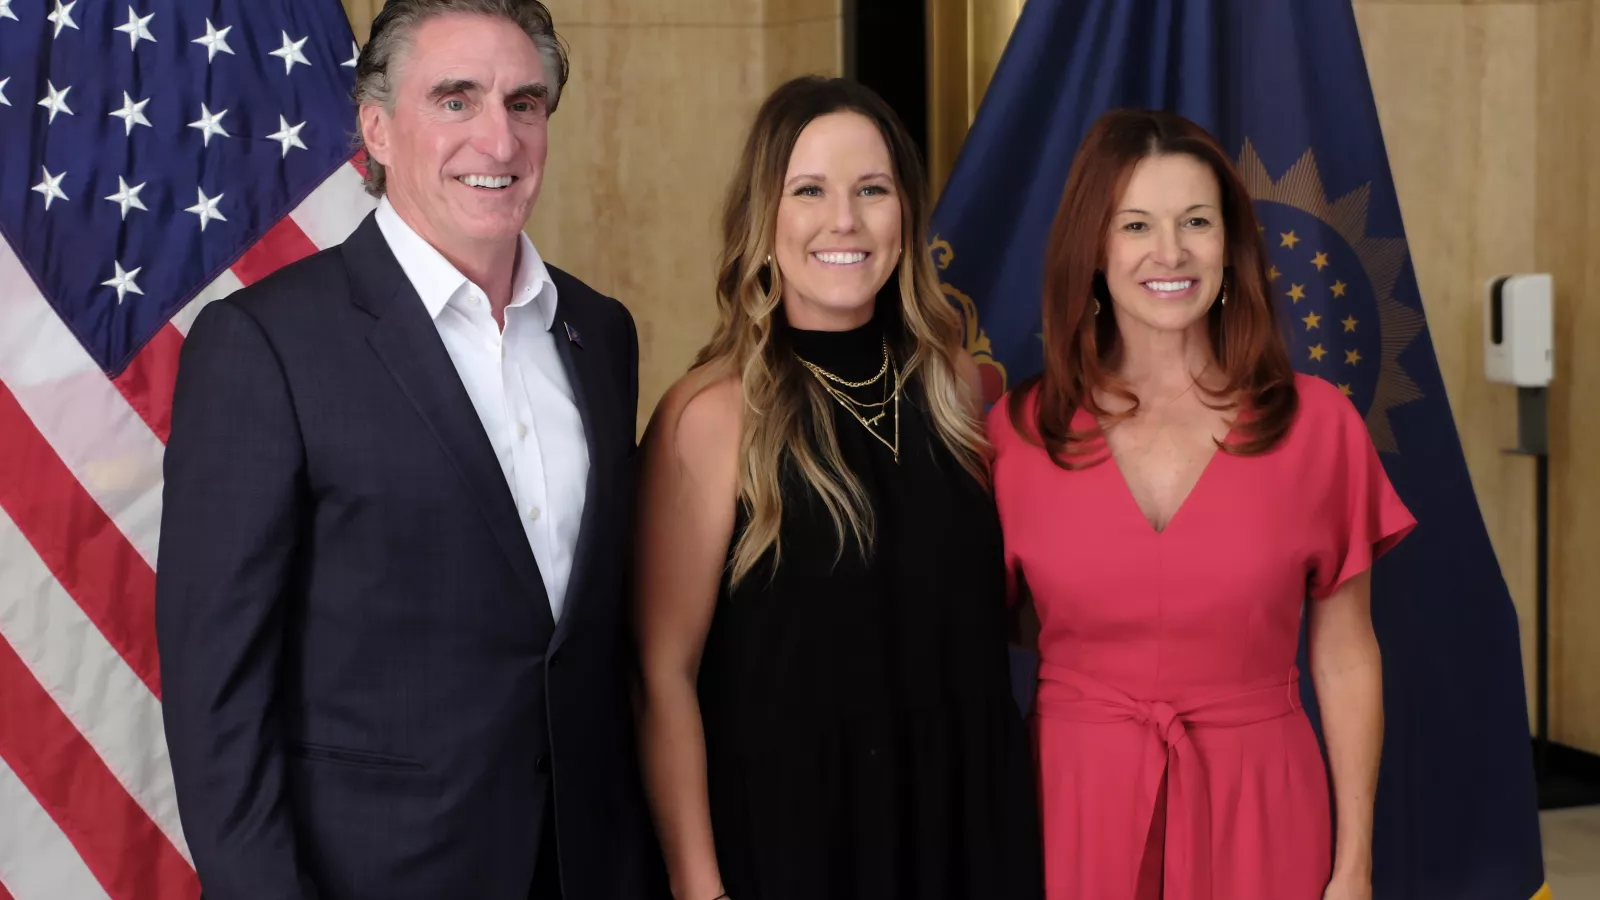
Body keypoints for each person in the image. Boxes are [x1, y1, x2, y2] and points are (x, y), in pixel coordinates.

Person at [154, 2, 665, 898]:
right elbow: (217, 705)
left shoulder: (601, 333)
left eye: (525, 103)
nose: (498, 141)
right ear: (377, 127)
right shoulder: (264, 346)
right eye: (456, 101)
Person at [987, 108, 1415, 900]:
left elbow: (1347, 654)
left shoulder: (1319, 425)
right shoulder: (1015, 436)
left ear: (1232, 246)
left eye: (1196, 222)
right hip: (1067, 806)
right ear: (1092, 249)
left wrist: (1353, 867)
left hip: (1265, 804)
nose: (1170, 252)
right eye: (1136, 224)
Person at [633, 75, 1044, 900]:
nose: (844, 220)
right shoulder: (711, 415)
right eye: (810, 190)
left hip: (965, 836)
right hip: (792, 845)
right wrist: (697, 884)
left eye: (872, 191)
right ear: (764, 216)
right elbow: (659, 676)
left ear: (906, 216)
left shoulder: (960, 389)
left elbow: (1014, 615)